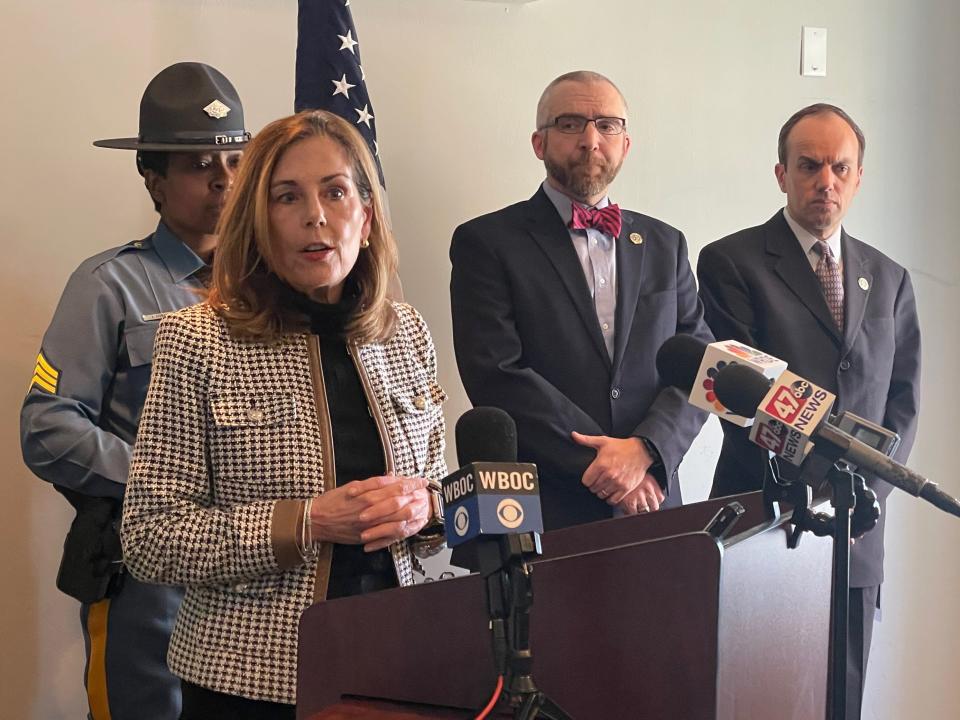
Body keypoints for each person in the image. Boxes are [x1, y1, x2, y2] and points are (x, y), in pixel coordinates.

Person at [120, 109, 447, 719]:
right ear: (257, 223)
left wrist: (426, 507)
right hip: (248, 685)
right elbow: (150, 540)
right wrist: (309, 522)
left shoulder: (408, 335)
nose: (315, 215)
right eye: (286, 197)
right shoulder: (197, 341)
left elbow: (435, 491)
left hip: (398, 662)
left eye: (335, 191)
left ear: (367, 217)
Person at [20, 61, 249, 720]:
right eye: (200, 163)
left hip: (259, 572)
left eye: (234, 159)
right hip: (151, 574)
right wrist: (165, 478)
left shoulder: (273, 290)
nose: (224, 179)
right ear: (153, 177)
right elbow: (49, 427)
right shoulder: (108, 287)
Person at [696, 103, 921, 719]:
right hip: (764, 521)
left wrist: (859, 498)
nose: (826, 180)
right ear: (781, 174)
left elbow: (901, 405)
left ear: (858, 177)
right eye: (810, 165)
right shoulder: (729, 263)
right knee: (754, 703)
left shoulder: (891, 278)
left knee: (842, 703)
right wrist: (813, 495)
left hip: (858, 531)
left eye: (840, 167)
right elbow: (736, 400)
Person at [450, 71, 712, 531]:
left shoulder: (666, 244)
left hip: (654, 503)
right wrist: (610, 467)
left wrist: (648, 451)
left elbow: (701, 367)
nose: (591, 140)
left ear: (625, 144)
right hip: (544, 510)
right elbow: (495, 372)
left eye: (608, 125)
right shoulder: (485, 243)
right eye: (570, 124)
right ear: (539, 143)